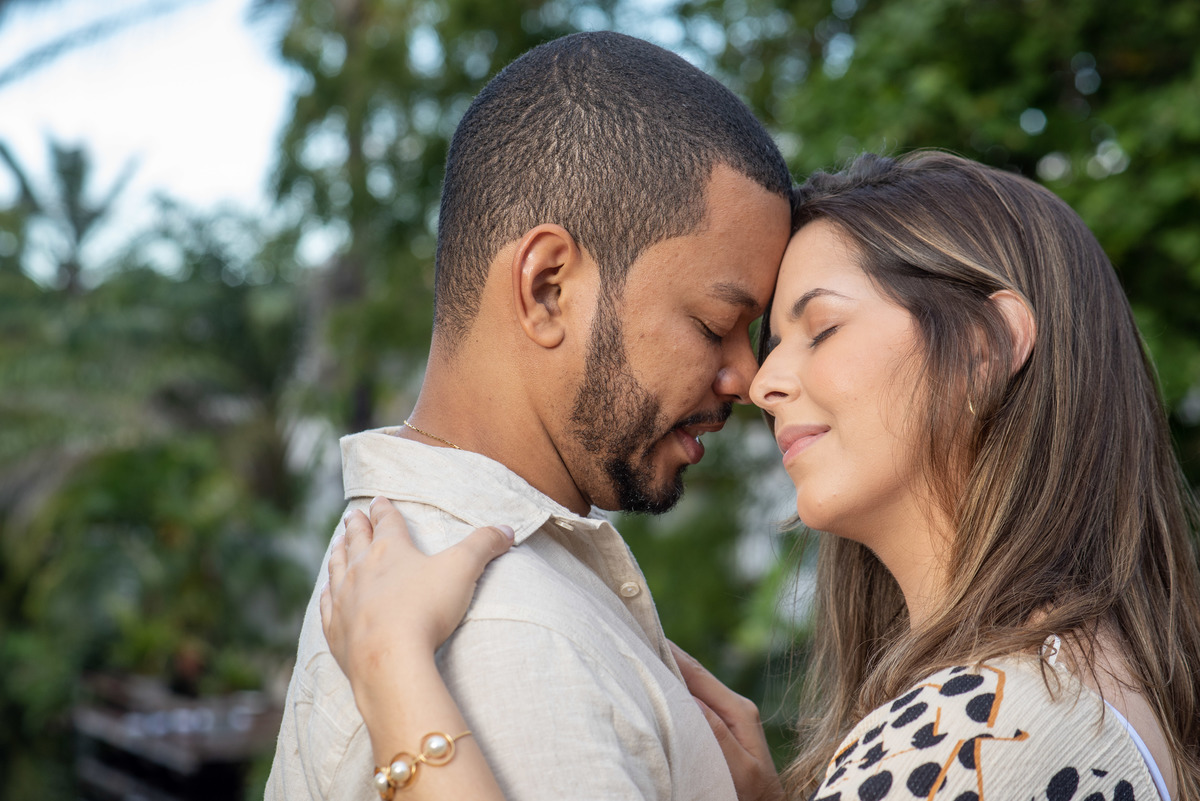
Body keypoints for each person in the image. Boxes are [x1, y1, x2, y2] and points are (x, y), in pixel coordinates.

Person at [320, 151, 1200, 801]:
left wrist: (397, 678)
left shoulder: (981, 724)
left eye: (821, 327)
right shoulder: (1070, 683)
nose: (765, 382)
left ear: (981, 346)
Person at [265, 30, 794, 801]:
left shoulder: (449, 582)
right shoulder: (509, 633)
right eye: (717, 324)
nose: (749, 376)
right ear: (548, 287)